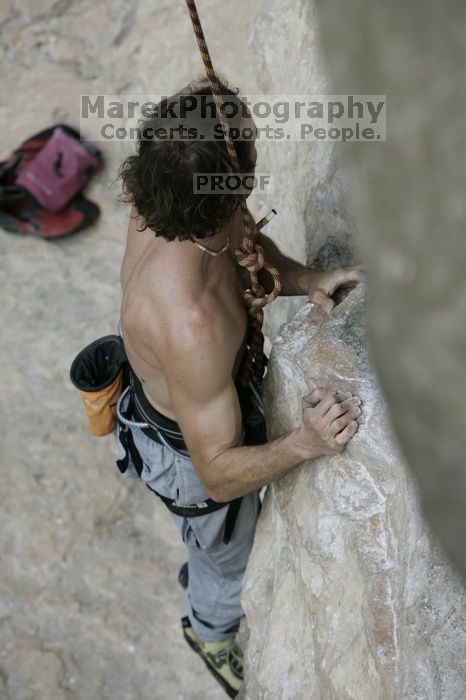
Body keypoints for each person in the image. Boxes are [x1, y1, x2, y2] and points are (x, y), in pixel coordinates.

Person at [115, 78, 364, 698]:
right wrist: (303, 443)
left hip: (197, 392)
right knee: (226, 558)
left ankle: (205, 570)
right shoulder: (191, 324)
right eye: (247, 149)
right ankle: (209, 629)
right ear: (223, 201)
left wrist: (306, 279)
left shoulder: (171, 194)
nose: (256, 136)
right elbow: (219, 474)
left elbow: (244, 246)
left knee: (212, 548)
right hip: (190, 452)